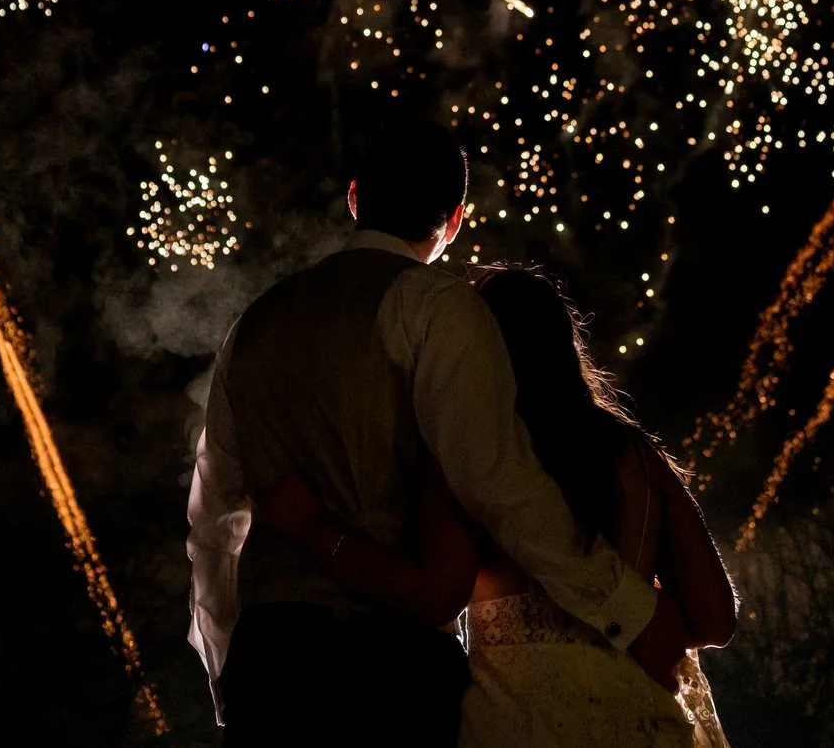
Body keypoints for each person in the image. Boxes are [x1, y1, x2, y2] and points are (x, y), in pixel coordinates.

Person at [188, 122, 688, 746]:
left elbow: (213, 524)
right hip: (388, 668)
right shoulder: (438, 307)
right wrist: (627, 609)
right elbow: (497, 481)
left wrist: (229, 674)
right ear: (454, 220)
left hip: (271, 663)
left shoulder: (254, 324)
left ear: (353, 198)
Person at [260, 264, 739, 746]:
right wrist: (640, 620)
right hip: (639, 724)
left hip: (516, 722)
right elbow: (716, 618)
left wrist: (317, 530)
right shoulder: (636, 457)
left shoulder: (464, 454)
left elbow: (434, 592)